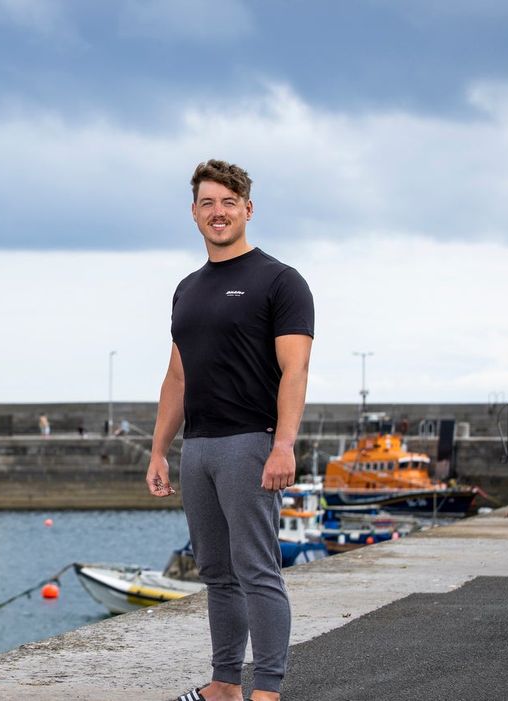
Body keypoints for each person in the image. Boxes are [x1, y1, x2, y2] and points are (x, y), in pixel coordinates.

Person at [148, 159, 314, 701]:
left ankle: (266, 689)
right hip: (198, 447)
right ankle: (224, 685)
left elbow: (296, 368)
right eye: (207, 203)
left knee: (256, 570)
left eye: (228, 202)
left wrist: (283, 444)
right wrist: (158, 453)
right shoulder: (186, 289)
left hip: (251, 441)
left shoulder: (280, 281)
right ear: (194, 213)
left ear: (248, 209)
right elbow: (177, 376)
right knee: (216, 572)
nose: (217, 213)